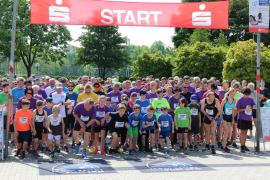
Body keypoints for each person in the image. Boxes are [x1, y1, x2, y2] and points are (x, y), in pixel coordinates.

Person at [236, 88, 255, 153]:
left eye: (248, 94)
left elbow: (254, 106)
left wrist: (251, 107)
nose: (246, 96)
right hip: (241, 118)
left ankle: (244, 145)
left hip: (249, 118)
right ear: (243, 93)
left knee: (246, 132)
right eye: (245, 94)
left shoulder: (251, 99)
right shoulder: (240, 100)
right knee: (242, 132)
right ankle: (242, 146)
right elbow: (237, 110)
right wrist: (244, 109)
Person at [221, 88, 236, 153]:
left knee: (230, 131)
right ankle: (224, 146)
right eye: (231, 94)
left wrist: (233, 119)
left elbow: (233, 110)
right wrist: (221, 118)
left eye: (233, 94)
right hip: (224, 117)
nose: (232, 95)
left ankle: (224, 143)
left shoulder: (234, 100)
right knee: (226, 131)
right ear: (229, 93)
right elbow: (221, 109)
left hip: (230, 117)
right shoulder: (225, 100)